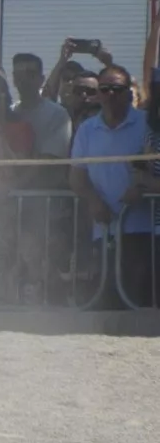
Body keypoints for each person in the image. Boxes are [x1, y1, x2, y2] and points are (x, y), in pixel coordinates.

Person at [69, 64, 155, 308]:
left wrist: (143, 189)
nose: (110, 95)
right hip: (104, 228)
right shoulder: (87, 130)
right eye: (104, 89)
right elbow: (76, 177)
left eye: (117, 89)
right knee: (106, 297)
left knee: (140, 296)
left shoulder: (148, 124)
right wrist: (93, 200)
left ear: (129, 92)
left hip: (143, 228)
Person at [10, 52, 72, 167]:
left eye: (30, 74)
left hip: (45, 184)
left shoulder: (57, 115)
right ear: (13, 79)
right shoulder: (10, 113)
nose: (24, 80)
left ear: (41, 79)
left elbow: (47, 162)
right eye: (19, 75)